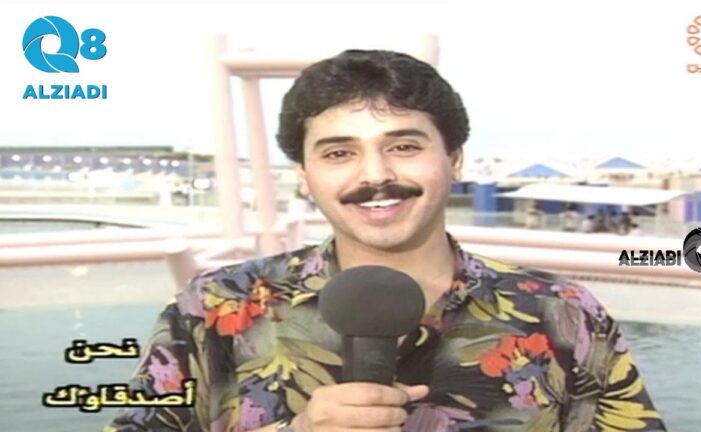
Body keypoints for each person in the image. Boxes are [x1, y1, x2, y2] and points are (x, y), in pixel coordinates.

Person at [104, 50, 666, 431]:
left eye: (403, 146)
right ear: (306, 176)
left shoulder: (563, 313)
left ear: (453, 159)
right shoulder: (214, 307)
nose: (374, 175)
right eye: (339, 153)